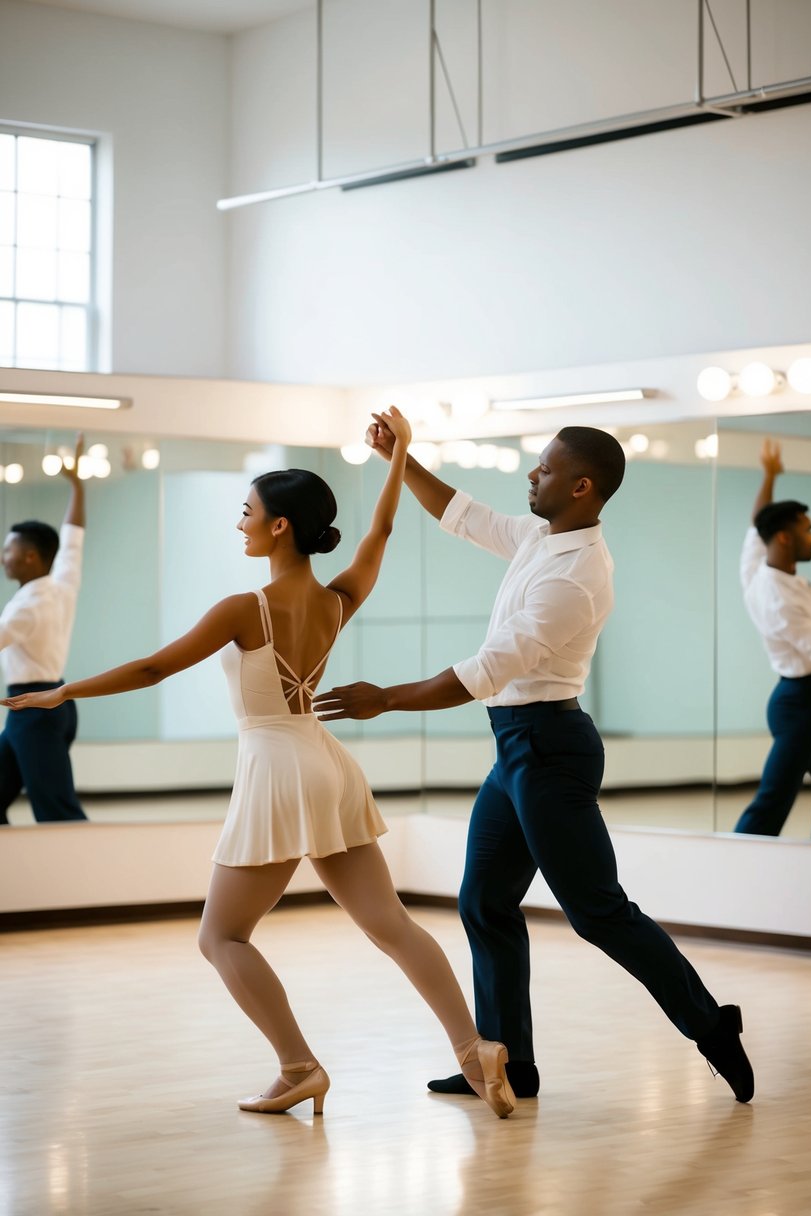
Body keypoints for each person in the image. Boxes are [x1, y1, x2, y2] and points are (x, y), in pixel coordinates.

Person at [2, 408, 515, 1120]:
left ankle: (298, 1066)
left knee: (221, 936)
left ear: (278, 526)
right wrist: (399, 457)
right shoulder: (337, 599)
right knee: (390, 923)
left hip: (277, 769)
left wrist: (61, 690)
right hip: (327, 764)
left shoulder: (246, 606)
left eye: (247, 512)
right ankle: (473, 1050)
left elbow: (154, 669)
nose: (238, 523)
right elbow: (381, 531)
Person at [314, 420, 755, 1105]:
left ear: (581, 487)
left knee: (597, 913)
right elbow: (460, 514)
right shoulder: (537, 537)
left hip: (549, 750)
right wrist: (398, 457)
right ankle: (505, 1064)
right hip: (515, 748)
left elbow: (485, 672)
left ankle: (710, 1026)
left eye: (544, 470)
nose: (530, 476)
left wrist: (385, 699)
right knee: (484, 903)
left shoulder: (577, 576)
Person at [734, 438, 811, 840]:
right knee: (775, 798)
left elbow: (759, 523)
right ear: (786, 538)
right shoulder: (775, 597)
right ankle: (737, 861)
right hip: (801, 702)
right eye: (808, 531)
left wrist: (770, 475)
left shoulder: (761, 567)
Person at [0, 434, 88, 824]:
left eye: (9, 550)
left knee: (57, 811)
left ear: (30, 556)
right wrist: (77, 484)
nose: (4, 557)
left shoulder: (28, 607)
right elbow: (73, 538)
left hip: (33, 709)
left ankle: (95, 880)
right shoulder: (60, 582)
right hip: (50, 706)